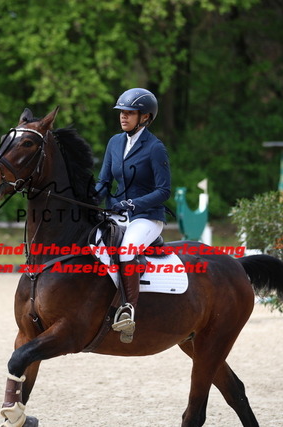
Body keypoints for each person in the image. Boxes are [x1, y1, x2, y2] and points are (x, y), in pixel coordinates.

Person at [95, 88, 171, 343]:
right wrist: (89, 199)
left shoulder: (155, 148)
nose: (123, 116)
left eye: (129, 112)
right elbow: (104, 182)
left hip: (147, 217)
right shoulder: (114, 142)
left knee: (126, 251)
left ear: (145, 117)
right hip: (116, 213)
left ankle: (128, 310)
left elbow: (164, 190)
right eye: (121, 112)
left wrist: (132, 204)